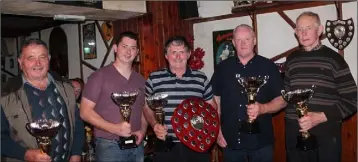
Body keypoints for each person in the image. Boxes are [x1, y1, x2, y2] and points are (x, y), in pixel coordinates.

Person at [284, 11, 357, 162]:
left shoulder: (335, 60)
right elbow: (287, 97)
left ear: (320, 30)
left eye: (308, 28)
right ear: (295, 32)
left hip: (326, 135)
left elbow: (353, 100)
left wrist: (320, 117)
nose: (303, 33)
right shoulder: (291, 60)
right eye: (299, 29)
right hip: (294, 133)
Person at [211, 24, 286, 162]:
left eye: (247, 39)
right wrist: (216, 130)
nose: (243, 43)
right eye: (238, 39)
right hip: (230, 142)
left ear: (254, 41)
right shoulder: (222, 68)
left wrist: (263, 108)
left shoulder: (268, 66)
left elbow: (282, 100)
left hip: (261, 143)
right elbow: (215, 101)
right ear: (233, 42)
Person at [1, 38, 84, 162]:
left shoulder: (67, 89)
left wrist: (76, 154)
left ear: (49, 59)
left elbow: (77, 125)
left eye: (42, 57)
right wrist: (25, 154)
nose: (37, 63)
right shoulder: (5, 96)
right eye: (31, 58)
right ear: (20, 62)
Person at [143, 36, 216, 162]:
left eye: (182, 52)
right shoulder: (154, 79)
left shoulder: (201, 78)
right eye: (173, 52)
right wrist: (155, 124)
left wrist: (205, 129)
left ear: (188, 54)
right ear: (166, 55)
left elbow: (212, 107)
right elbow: (146, 107)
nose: (178, 57)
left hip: (196, 143)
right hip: (166, 143)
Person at [80, 31, 147, 162]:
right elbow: (84, 112)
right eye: (124, 47)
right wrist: (115, 129)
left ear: (137, 52)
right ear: (115, 48)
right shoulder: (99, 76)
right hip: (109, 146)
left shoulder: (140, 80)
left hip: (136, 144)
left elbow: (143, 110)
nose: (129, 52)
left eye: (133, 48)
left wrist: (142, 131)